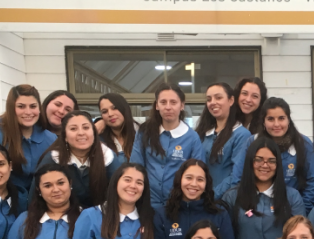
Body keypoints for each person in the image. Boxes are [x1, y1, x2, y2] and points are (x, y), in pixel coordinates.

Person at [222, 136, 306, 239]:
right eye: (258, 159)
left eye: (271, 161)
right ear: (250, 162)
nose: (264, 165)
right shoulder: (232, 198)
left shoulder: (292, 197)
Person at [153, 159, 237, 239]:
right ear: (179, 180)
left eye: (200, 180)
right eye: (189, 178)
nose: (194, 184)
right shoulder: (162, 215)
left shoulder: (220, 215)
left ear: (206, 184)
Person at [131, 84, 206, 212]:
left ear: (182, 105)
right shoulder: (144, 132)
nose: (168, 107)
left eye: (173, 102)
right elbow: (135, 167)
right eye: (163, 102)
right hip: (147, 204)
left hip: (178, 206)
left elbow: (198, 173)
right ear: (157, 105)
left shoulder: (192, 138)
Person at [39, 111, 121, 208]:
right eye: (73, 129)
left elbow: (119, 194)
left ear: (94, 133)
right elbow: (37, 196)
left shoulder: (107, 156)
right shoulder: (52, 158)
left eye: (86, 127)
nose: (81, 133)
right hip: (62, 215)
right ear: (65, 136)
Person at [257, 98, 314, 211]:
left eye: (281, 118)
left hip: (295, 208)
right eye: (270, 119)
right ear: (263, 121)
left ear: (288, 120)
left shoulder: (303, 143)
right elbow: (242, 177)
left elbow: (313, 180)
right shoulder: (253, 143)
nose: (276, 124)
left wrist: (301, 209)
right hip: (260, 210)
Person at [195, 82, 252, 197]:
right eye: (209, 99)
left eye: (218, 97)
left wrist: (212, 196)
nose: (213, 102)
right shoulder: (202, 133)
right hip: (200, 199)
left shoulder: (241, 135)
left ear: (231, 101)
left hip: (224, 201)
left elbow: (237, 175)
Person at [0, 90, 77, 135]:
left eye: (68, 109)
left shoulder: (70, 137)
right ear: (45, 105)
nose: (61, 111)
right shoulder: (28, 124)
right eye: (57, 104)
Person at [97, 93, 138, 166]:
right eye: (104, 111)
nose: (110, 114)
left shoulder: (142, 134)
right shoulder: (100, 140)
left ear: (124, 108)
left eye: (114, 108)